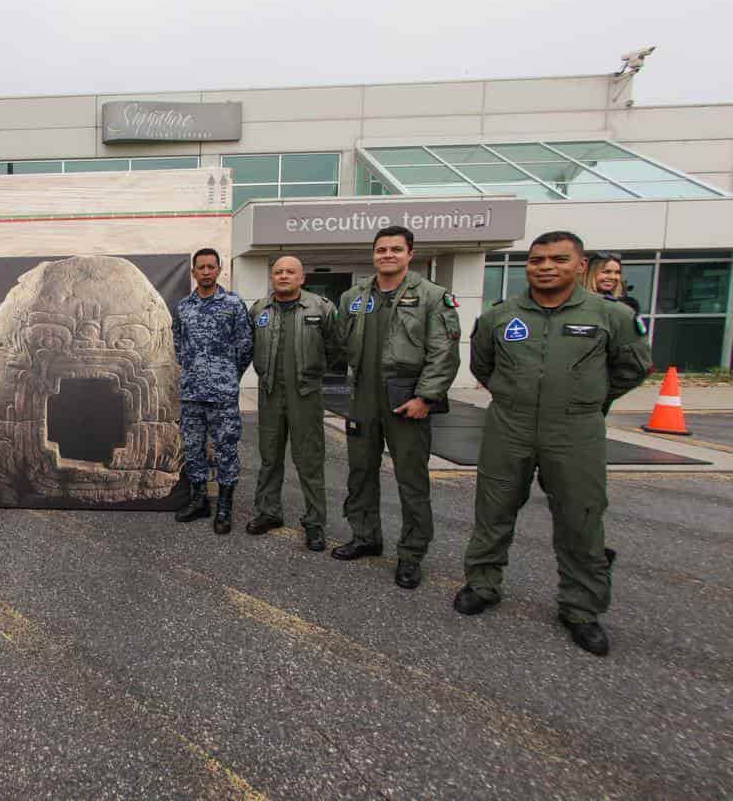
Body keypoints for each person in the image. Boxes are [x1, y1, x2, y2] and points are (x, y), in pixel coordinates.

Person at [456, 231, 651, 656]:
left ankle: (581, 608)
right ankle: (483, 584)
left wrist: (588, 398)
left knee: (581, 517)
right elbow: (483, 365)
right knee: (494, 509)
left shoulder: (610, 315)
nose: (545, 266)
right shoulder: (500, 316)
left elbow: (634, 366)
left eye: (558, 259)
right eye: (536, 259)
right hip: (510, 425)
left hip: (575, 430)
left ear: (581, 266)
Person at [335, 226, 461, 590]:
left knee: (411, 481)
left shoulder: (433, 297)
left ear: (410, 254)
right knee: (360, 472)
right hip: (362, 398)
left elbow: (444, 352)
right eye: (381, 250)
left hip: (407, 401)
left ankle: (411, 554)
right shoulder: (354, 297)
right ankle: (365, 536)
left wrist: (427, 397)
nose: (387, 255)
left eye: (395, 249)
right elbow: (343, 342)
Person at [246, 255, 343, 551]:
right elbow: (248, 346)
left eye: (290, 272)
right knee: (269, 458)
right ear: (272, 278)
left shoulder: (321, 308)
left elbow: (336, 349)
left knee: (309, 460)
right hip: (270, 393)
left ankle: (315, 524)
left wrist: (312, 375)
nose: (284, 276)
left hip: (306, 395)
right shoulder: (259, 310)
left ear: (302, 278)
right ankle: (268, 512)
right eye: (278, 272)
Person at [172, 248, 254, 534]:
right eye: (201, 267)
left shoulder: (232, 304)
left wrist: (228, 375)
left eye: (211, 267)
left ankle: (224, 508)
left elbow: (245, 347)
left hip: (222, 395)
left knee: (225, 451)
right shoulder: (184, 307)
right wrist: (192, 370)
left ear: (219, 270)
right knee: (193, 449)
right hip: (192, 393)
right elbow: (178, 344)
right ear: (193, 272)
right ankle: (199, 501)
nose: (206, 271)